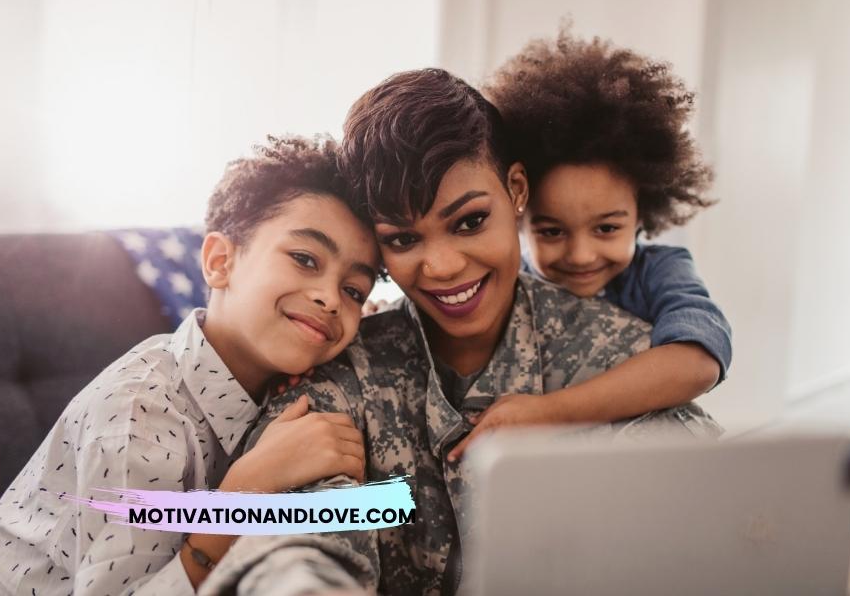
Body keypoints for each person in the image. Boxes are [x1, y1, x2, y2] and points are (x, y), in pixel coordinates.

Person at [199, 69, 721, 596]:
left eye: (469, 221)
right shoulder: (340, 380)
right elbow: (297, 543)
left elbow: (712, 516)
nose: (443, 267)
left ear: (516, 190)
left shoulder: (618, 358)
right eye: (404, 239)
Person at [0, 135, 380, 596]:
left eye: (354, 291)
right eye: (305, 259)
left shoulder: (287, 372)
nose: (329, 297)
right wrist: (241, 498)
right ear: (220, 261)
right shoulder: (138, 412)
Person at [446, 30, 733, 459]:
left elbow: (699, 362)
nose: (581, 256)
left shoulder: (660, 272)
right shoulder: (512, 282)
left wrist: (548, 413)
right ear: (518, 212)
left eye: (606, 229)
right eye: (551, 231)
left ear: (643, 214)